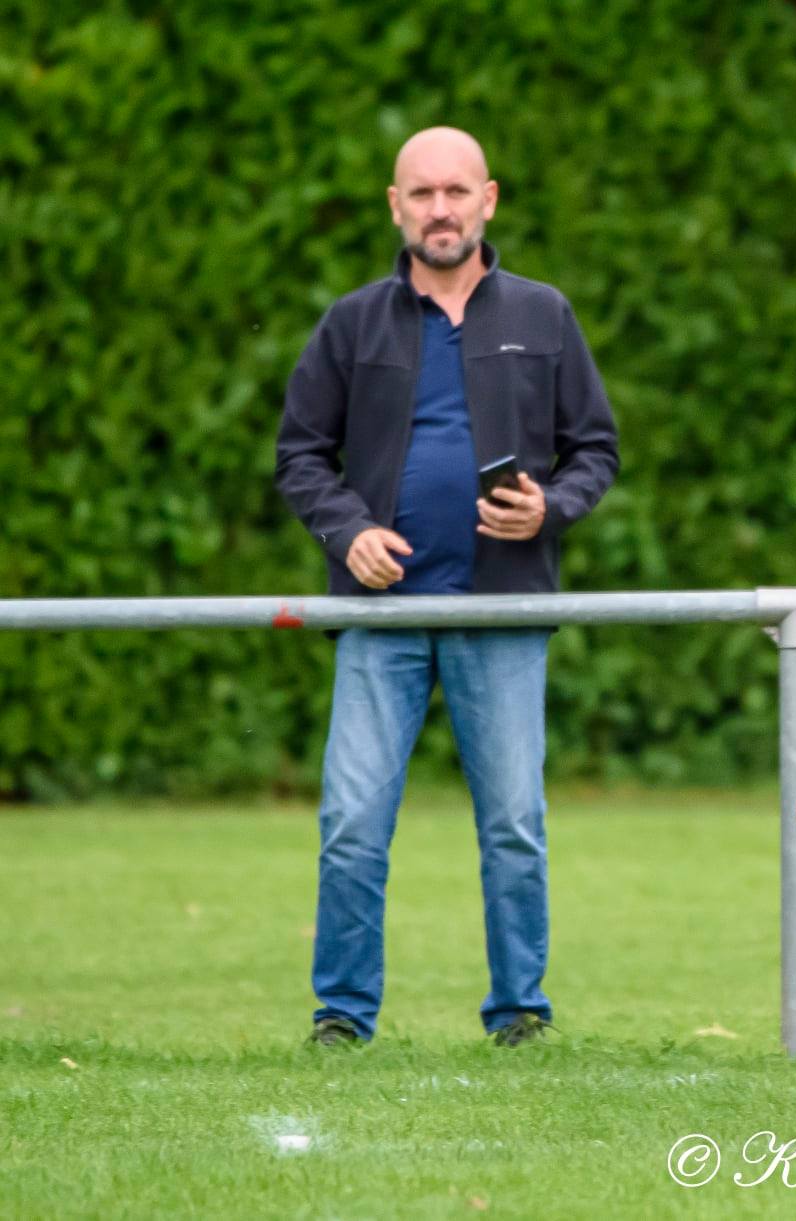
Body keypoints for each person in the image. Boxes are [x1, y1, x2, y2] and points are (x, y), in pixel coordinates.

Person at [275, 127, 619, 1047]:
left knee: (513, 826)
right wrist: (347, 532)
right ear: (396, 206)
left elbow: (597, 451)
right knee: (351, 824)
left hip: (502, 611)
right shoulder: (351, 322)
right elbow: (301, 454)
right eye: (421, 193)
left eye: (456, 191)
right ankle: (341, 1019)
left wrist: (548, 509)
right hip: (380, 615)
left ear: (488, 200)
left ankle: (520, 1016)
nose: (440, 208)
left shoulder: (544, 314)